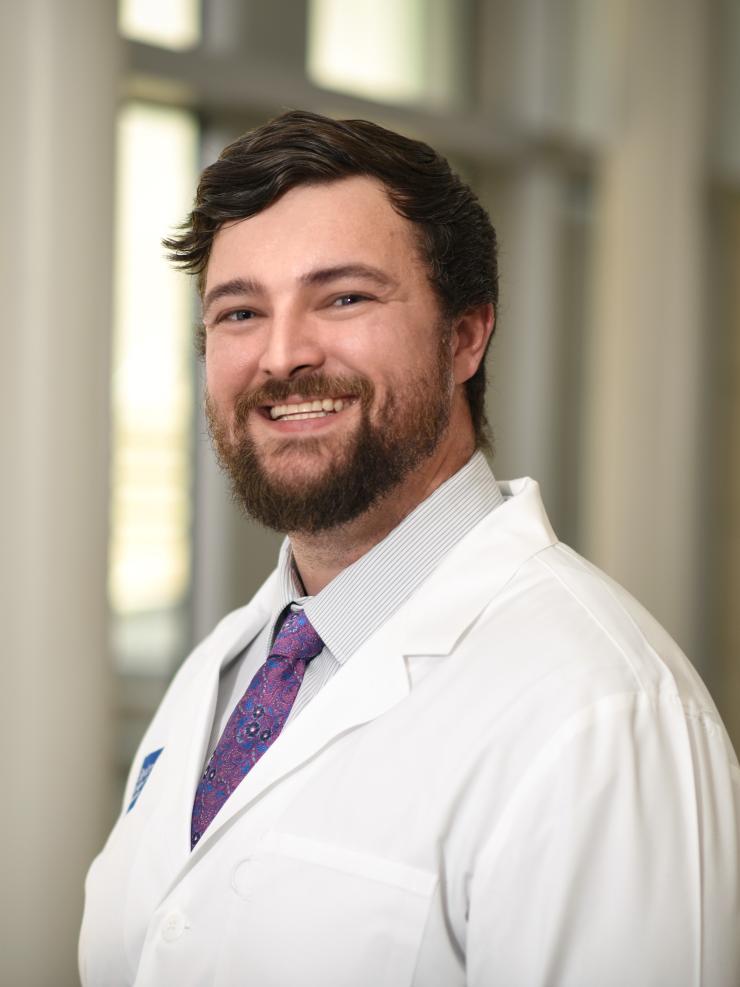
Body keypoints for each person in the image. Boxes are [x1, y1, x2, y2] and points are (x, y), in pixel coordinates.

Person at [80, 110, 740, 987]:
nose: (281, 357)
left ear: (465, 336)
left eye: (344, 297)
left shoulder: (604, 711)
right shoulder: (232, 668)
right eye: (239, 311)